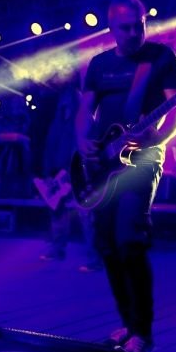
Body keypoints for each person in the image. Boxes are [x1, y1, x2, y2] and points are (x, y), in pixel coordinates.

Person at [75, 0, 176, 352]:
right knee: (107, 244)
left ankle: (143, 333)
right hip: (104, 162)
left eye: (139, 26)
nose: (134, 33)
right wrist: (83, 141)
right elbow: (85, 111)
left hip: (143, 160)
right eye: (125, 28)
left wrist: (158, 139)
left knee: (129, 240)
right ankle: (128, 324)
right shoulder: (99, 64)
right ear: (111, 27)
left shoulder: (161, 58)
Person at [36, 79, 102, 271]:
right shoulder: (57, 122)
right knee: (57, 211)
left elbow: (86, 146)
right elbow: (49, 148)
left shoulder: (84, 121)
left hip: (77, 173)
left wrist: (70, 169)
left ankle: (95, 257)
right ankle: (57, 249)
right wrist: (48, 174)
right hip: (58, 175)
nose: (65, 100)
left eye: (69, 96)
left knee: (86, 214)